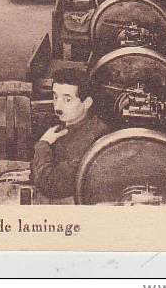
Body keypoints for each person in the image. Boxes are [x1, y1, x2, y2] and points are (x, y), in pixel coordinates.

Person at [30, 67, 109, 203]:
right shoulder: (76, 124)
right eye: (55, 97)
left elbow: (52, 186)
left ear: (87, 103)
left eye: (67, 100)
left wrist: (43, 144)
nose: (57, 107)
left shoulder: (87, 138)